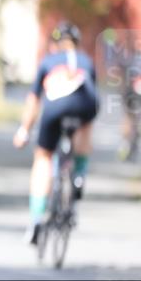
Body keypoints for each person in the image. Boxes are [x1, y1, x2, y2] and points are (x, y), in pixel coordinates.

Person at [13, 21, 99, 244]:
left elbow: (33, 101)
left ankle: (35, 220)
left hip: (56, 105)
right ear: (77, 44)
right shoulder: (87, 61)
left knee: (43, 157)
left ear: (55, 45)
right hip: (85, 103)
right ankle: (79, 173)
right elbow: (91, 94)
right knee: (85, 123)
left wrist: (24, 131)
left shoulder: (48, 61)